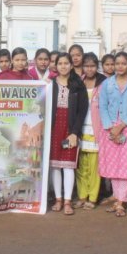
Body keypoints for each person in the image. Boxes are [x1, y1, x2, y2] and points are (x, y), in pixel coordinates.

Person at [97, 52, 127, 217]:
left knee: (125, 166)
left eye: (123, 63)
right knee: (113, 165)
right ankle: (117, 198)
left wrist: (122, 126)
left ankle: (121, 202)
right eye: (117, 63)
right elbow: (102, 106)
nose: (120, 66)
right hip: (109, 127)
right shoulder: (107, 84)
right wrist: (111, 127)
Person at [49, 53, 89, 215]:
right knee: (55, 166)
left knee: (68, 165)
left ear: (72, 66)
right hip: (53, 128)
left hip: (70, 128)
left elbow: (82, 111)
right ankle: (58, 199)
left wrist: (75, 133)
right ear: (56, 66)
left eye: (66, 63)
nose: (63, 66)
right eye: (60, 63)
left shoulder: (78, 85)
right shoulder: (50, 85)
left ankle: (67, 201)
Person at [75, 53, 106, 209]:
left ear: (97, 66)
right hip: (80, 128)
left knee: (94, 167)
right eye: (86, 66)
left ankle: (92, 197)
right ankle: (82, 195)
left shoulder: (104, 83)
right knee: (81, 165)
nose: (89, 69)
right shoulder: (78, 81)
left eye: (92, 66)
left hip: (96, 129)